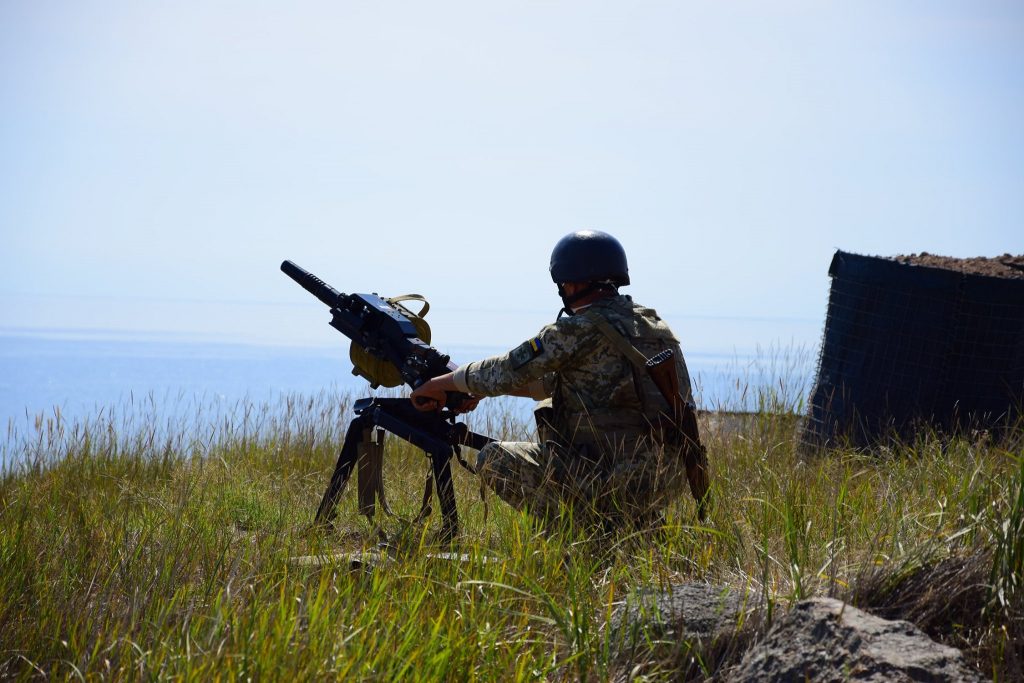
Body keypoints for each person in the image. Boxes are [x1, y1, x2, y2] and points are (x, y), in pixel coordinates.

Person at [410, 230, 706, 530]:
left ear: (573, 282)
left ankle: (586, 536)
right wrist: (479, 392)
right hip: (668, 477)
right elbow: (559, 382)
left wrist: (439, 384)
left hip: (615, 478)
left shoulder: (578, 330)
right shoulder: (655, 327)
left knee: (494, 459)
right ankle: (635, 529)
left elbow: (506, 369)